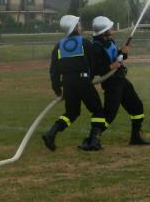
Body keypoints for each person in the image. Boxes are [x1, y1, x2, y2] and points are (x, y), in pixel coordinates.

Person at [41, 14, 107, 152]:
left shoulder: (59, 46)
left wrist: (57, 89)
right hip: (83, 80)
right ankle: (94, 141)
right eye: (79, 25)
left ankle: (51, 133)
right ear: (75, 27)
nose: (81, 27)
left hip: (67, 83)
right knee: (98, 110)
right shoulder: (85, 43)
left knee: (72, 112)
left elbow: (54, 71)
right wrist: (88, 80)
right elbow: (93, 65)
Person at [89, 15, 150, 146]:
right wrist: (111, 66)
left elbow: (118, 58)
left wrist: (123, 52)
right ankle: (92, 139)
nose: (111, 29)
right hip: (111, 83)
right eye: (109, 27)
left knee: (137, 106)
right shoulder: (96, 47)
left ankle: (135, 137)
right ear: (103, 31)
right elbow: (95, 69)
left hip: (120, 79)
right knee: (109, 114)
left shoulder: (109, 41)